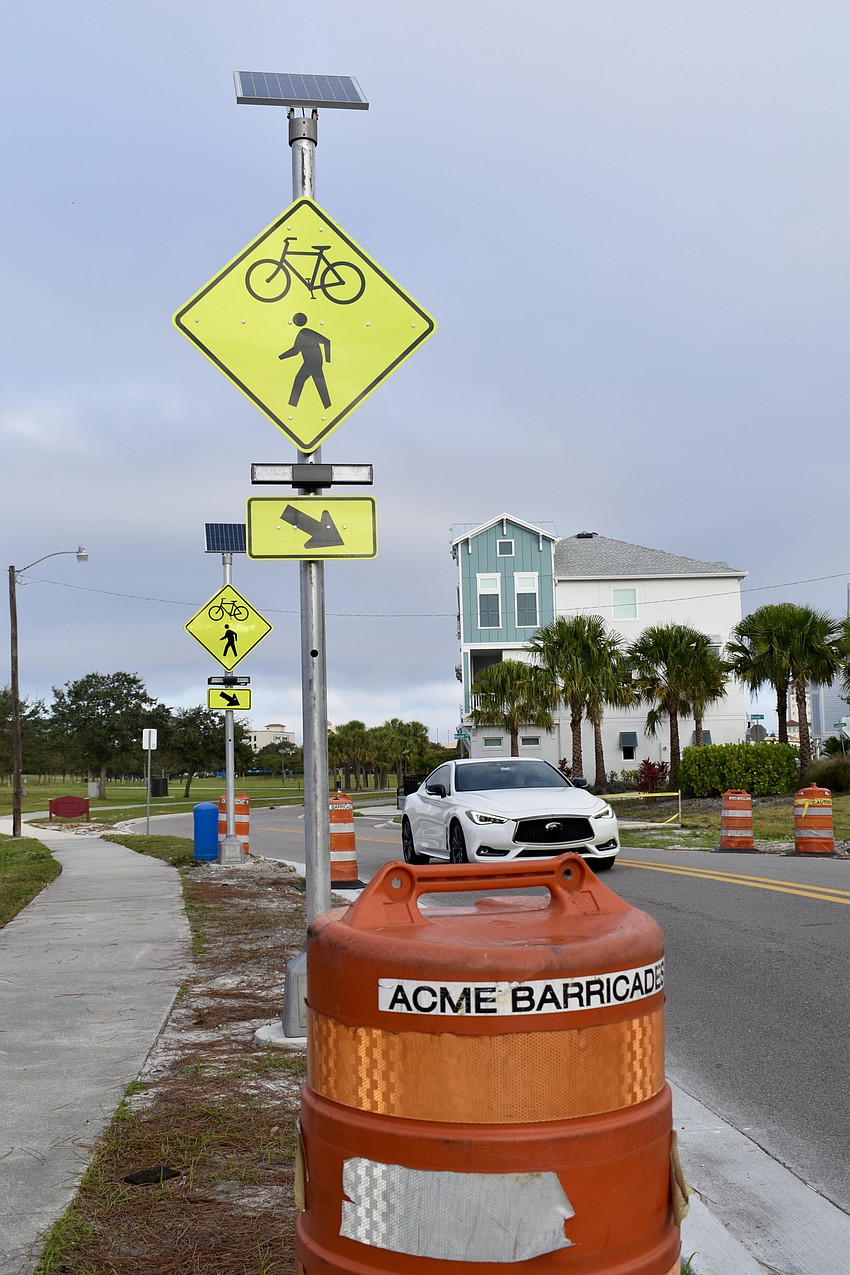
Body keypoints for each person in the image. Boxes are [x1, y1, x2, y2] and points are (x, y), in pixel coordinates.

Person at [278, 312, 331, 408]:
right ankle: (292, 406)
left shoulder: (306, 333)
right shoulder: (301, 334)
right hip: (309, 363)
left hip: (315, 363)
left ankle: (292, 405)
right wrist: (280, 357)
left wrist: (328, 360)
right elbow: (295, 351)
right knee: (310, 382)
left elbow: (327, 342)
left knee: (307, 381)